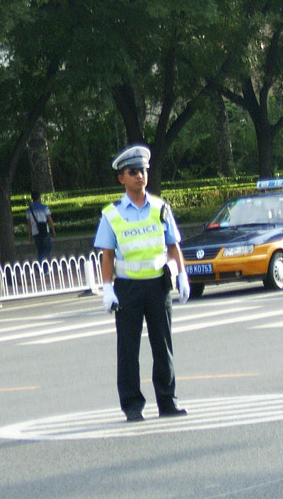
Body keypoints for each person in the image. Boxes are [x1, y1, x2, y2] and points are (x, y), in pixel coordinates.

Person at [94, 144, 191, 422]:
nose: (140, 176)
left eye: (143, 171)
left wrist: (182, 275)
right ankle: (132, 405)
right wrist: (108, 288)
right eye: (132, 171)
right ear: (121, 178)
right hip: (128, 288)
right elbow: (108, 254)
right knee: (128, 350)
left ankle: (167, 401)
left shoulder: (160, 208)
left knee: (163, 346)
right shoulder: (111, 214)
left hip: (158, 284)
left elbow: (173, 246)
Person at [27, 190, 56, 262]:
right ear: (39, 197)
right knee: (47, 248)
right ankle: (40, 262)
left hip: (35, 232)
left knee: (40, 250)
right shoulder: (44, 207)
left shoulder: (29, 210)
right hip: (44, 231)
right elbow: (50, 220)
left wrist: (30, 235)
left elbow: (29, 224)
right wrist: (53, 231)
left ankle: (43, 269)